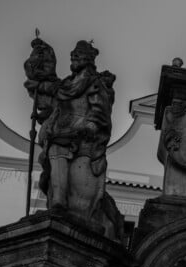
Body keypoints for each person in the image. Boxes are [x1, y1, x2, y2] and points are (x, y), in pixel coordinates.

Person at [24, 39, 121, 240]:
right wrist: (41, 57)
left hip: (82, 136)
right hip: (62, 132)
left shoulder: (95, 83)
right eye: (73, 57)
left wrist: (92, 125)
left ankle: (61, 201)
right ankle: (58, 201)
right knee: (54, 149)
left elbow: (100, 109)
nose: (73, 60)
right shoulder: (66, 84)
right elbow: (49, 95)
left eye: (78, 56)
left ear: (88, 60)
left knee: (58, 149)